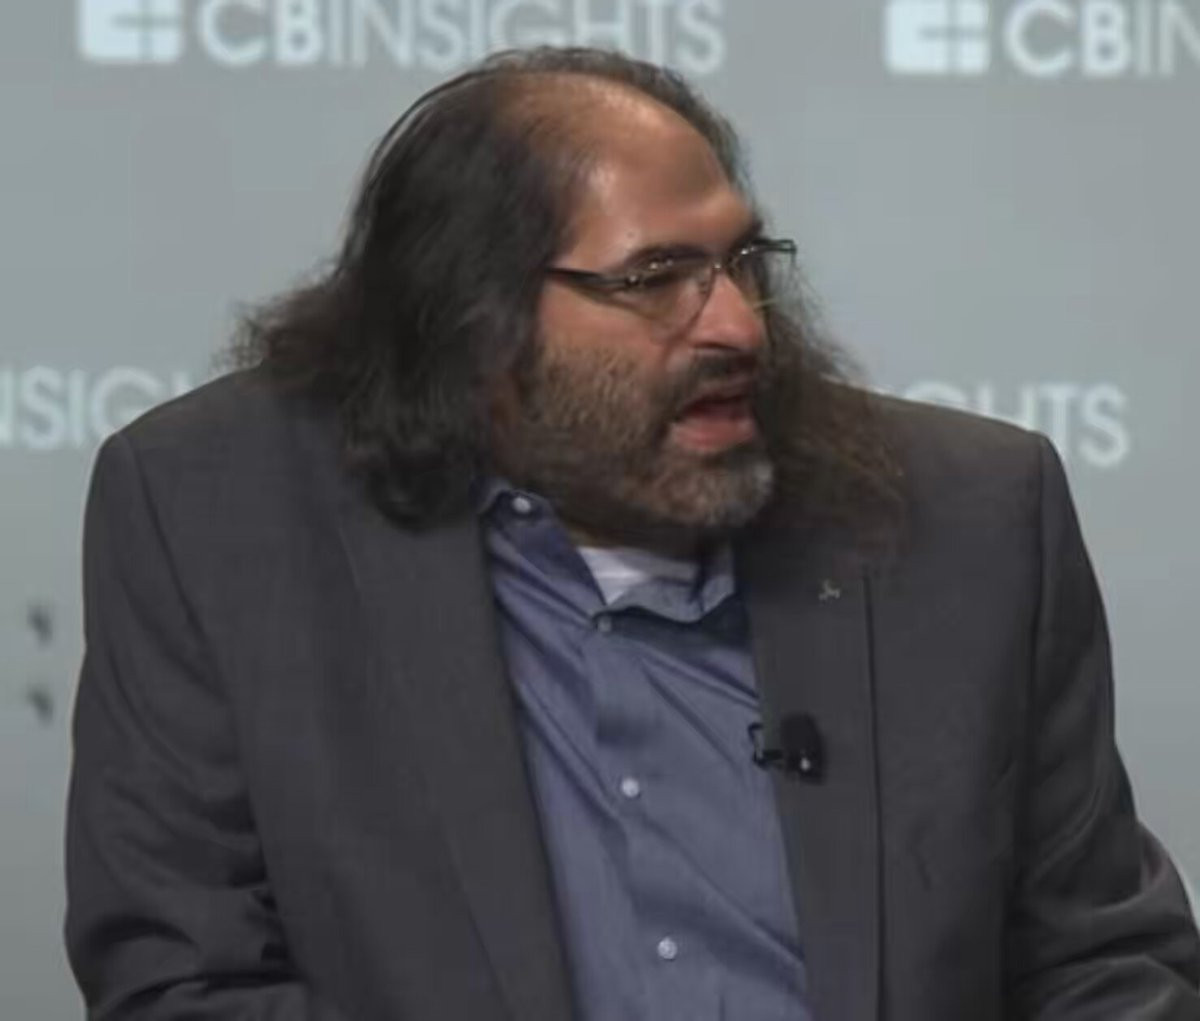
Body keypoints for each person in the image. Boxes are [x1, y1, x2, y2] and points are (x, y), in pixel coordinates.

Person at [64, 46, 1200, 1021]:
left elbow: (1104, 966)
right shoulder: (218, 514)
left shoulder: (967, 517)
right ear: (476, 321)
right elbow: (184, 980)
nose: (739, 326)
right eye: (658, 278)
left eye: (742, 262)